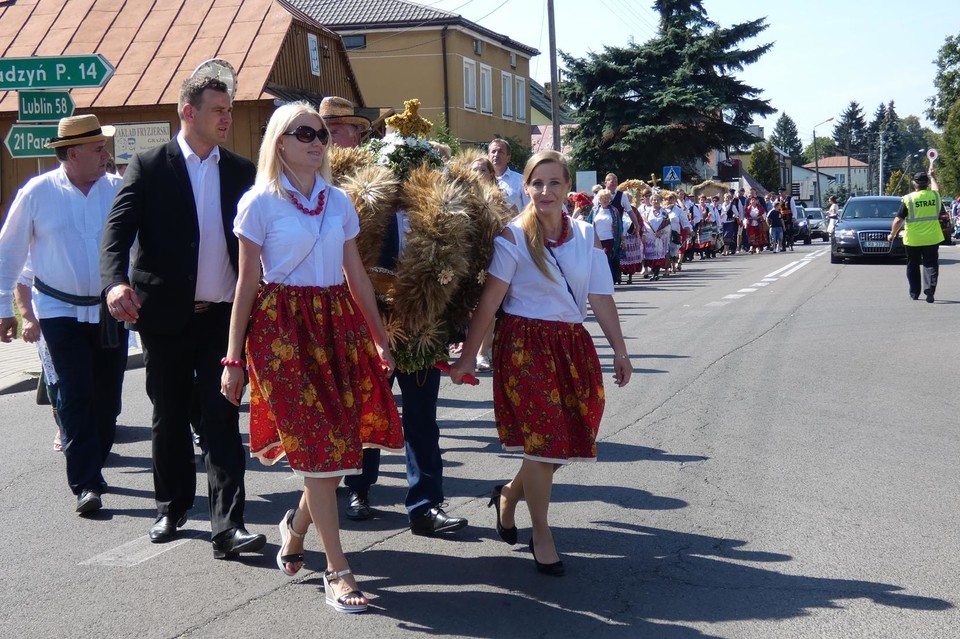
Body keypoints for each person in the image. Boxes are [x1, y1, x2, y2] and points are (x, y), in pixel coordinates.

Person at [221, 102, 404, 614]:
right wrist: (233, 359)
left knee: (338, 448)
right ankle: (339, 571)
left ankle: (296, 527)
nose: (316, 140)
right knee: (321, 452)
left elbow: (357, 276)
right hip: (282, 334)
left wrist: (379, 337)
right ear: (279, 142)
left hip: (335, 325)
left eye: (321, 133)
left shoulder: (339, 201)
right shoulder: (258, 202)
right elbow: (246, 284)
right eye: (304, 132)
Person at [100, 75, 266, 557]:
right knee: (168, 415)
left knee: (221, 416)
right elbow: (116, 234)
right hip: (165, 317)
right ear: (188, 112)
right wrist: (115, 283)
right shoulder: (150, 166)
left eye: (230, 110)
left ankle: (228, 524)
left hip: (223, 319)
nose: (227, 118)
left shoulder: (240, 170)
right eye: (218, 109)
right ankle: (171, 508)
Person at [448, 150, 631, 577]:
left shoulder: (587, 236)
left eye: (554, 183)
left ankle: (510, 494)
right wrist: (468, 358)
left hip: (571, 344)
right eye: (537, 183)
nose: (545, 191)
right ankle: (542, 531)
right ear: (526, 186)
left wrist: (620, 351)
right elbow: (490, 302)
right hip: (525, 346)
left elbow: (601, 297)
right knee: (544, 441)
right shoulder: (512, 237)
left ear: (569, 188)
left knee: (561, 442)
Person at [0, 114, 127, 515]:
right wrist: (7, 308)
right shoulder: (37, 192)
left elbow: (138, 246)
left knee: (107, 399)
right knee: (74, 394)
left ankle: (94, 461)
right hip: (57, 311)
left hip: (109, 311)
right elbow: (9, 254)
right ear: (72, 154)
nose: (105, 154)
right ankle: (85, 483)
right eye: (97, 148)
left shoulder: (119, 189)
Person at [888, 170, 944, 303]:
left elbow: (898, 220)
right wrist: (933, 177)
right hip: (932, 237)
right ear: (927, 184)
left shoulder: (909, 199)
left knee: (912, 265)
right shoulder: (935, 196)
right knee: (930, 264)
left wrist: (892, 234)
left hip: (913, 239)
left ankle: (914, 292)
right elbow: (936, 188)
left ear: (914, 183)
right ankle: (929, 287)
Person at [488, 138, 528, 214]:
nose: (496, 155)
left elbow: (528, 208)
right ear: (488, 156)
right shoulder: (482, 181)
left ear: (508, 158)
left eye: (500, 152)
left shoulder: (521, 180)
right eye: (493, 152)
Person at [641, 193, 671, 280]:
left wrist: (660, 233)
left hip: (660, 237)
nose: (655, 201)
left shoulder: (664, 212)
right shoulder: (647, 212)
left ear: (660, 201)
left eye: (657, 200)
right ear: (651, 201)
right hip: (650, 237)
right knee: (651, 256)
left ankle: (656, 274)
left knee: (659, 256)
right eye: (654, 200)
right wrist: (650, 233)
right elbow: (644, 224)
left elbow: (668, 225)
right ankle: (653, 272)